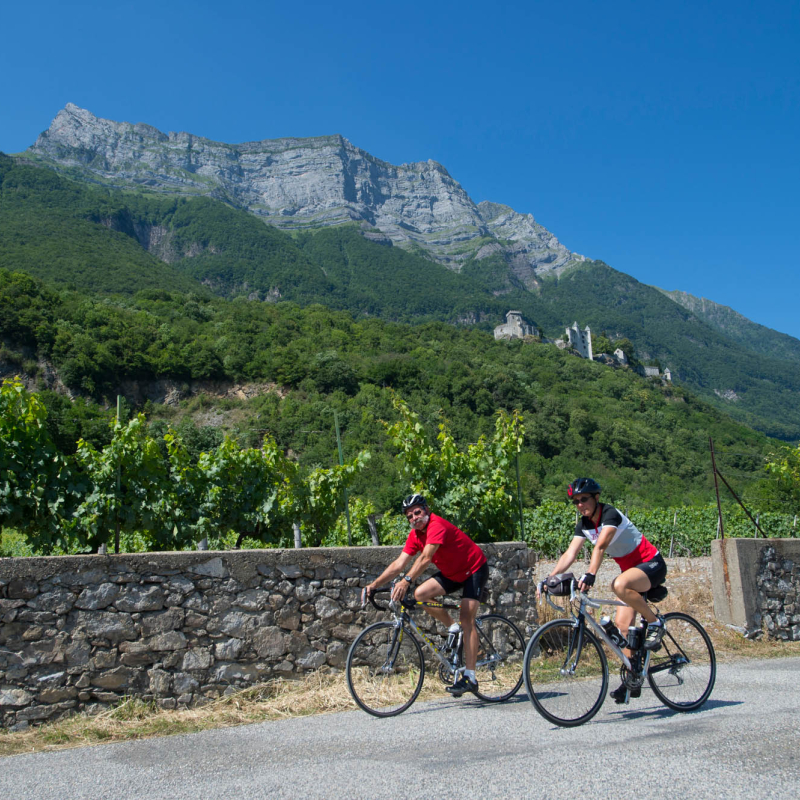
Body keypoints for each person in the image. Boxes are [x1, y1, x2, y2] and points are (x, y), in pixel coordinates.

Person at [540, 478, 668, 703]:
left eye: (584, 499)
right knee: (622, 628)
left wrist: (591, 574)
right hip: (631, 571)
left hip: (651, 564)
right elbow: (570, 554)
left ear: (596, 498)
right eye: (576, 501)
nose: (580, 504)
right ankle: (633, 679)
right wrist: (549, 578)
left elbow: (600, 545)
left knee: (618, 584)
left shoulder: (610, 514)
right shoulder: (584, 524)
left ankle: (656, 623)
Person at [365, 493, 489, 696]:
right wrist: (374, 584)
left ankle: (471, 678)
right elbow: (399, 564)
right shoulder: (415, 536)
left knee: (468, 619)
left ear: (426, 510)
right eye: (409, 516)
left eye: (417, 512)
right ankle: (452, 627)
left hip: (474, 569)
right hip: (453, 574)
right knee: (421, 594)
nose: (414, 517)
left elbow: (426, 558)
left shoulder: (436, 526)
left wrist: (406, 580)